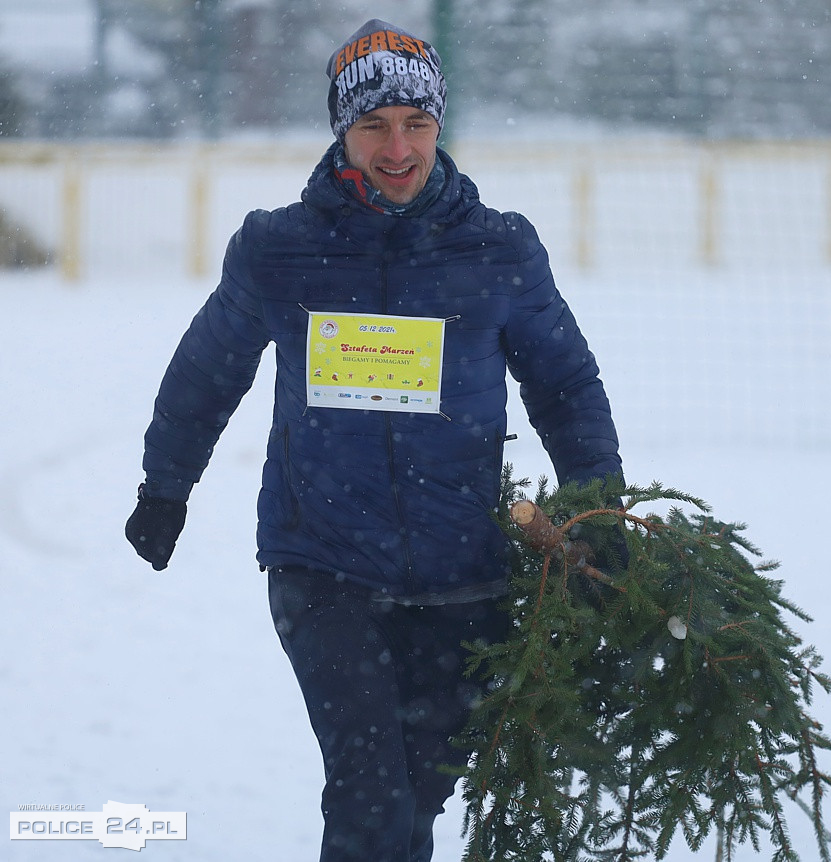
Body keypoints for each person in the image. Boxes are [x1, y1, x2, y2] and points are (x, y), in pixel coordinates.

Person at [125, 18, 623, 862]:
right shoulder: (280, 249)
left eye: (416, 125)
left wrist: (597, 506)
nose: (397, 148)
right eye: (373, 126)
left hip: (462, 574)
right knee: (371, 803)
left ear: (439, 127)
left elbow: (565, 383)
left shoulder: (496, 249)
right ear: (340, 131)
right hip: (323, 567)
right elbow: (209, 369)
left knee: (419, 799)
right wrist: (164, 486)